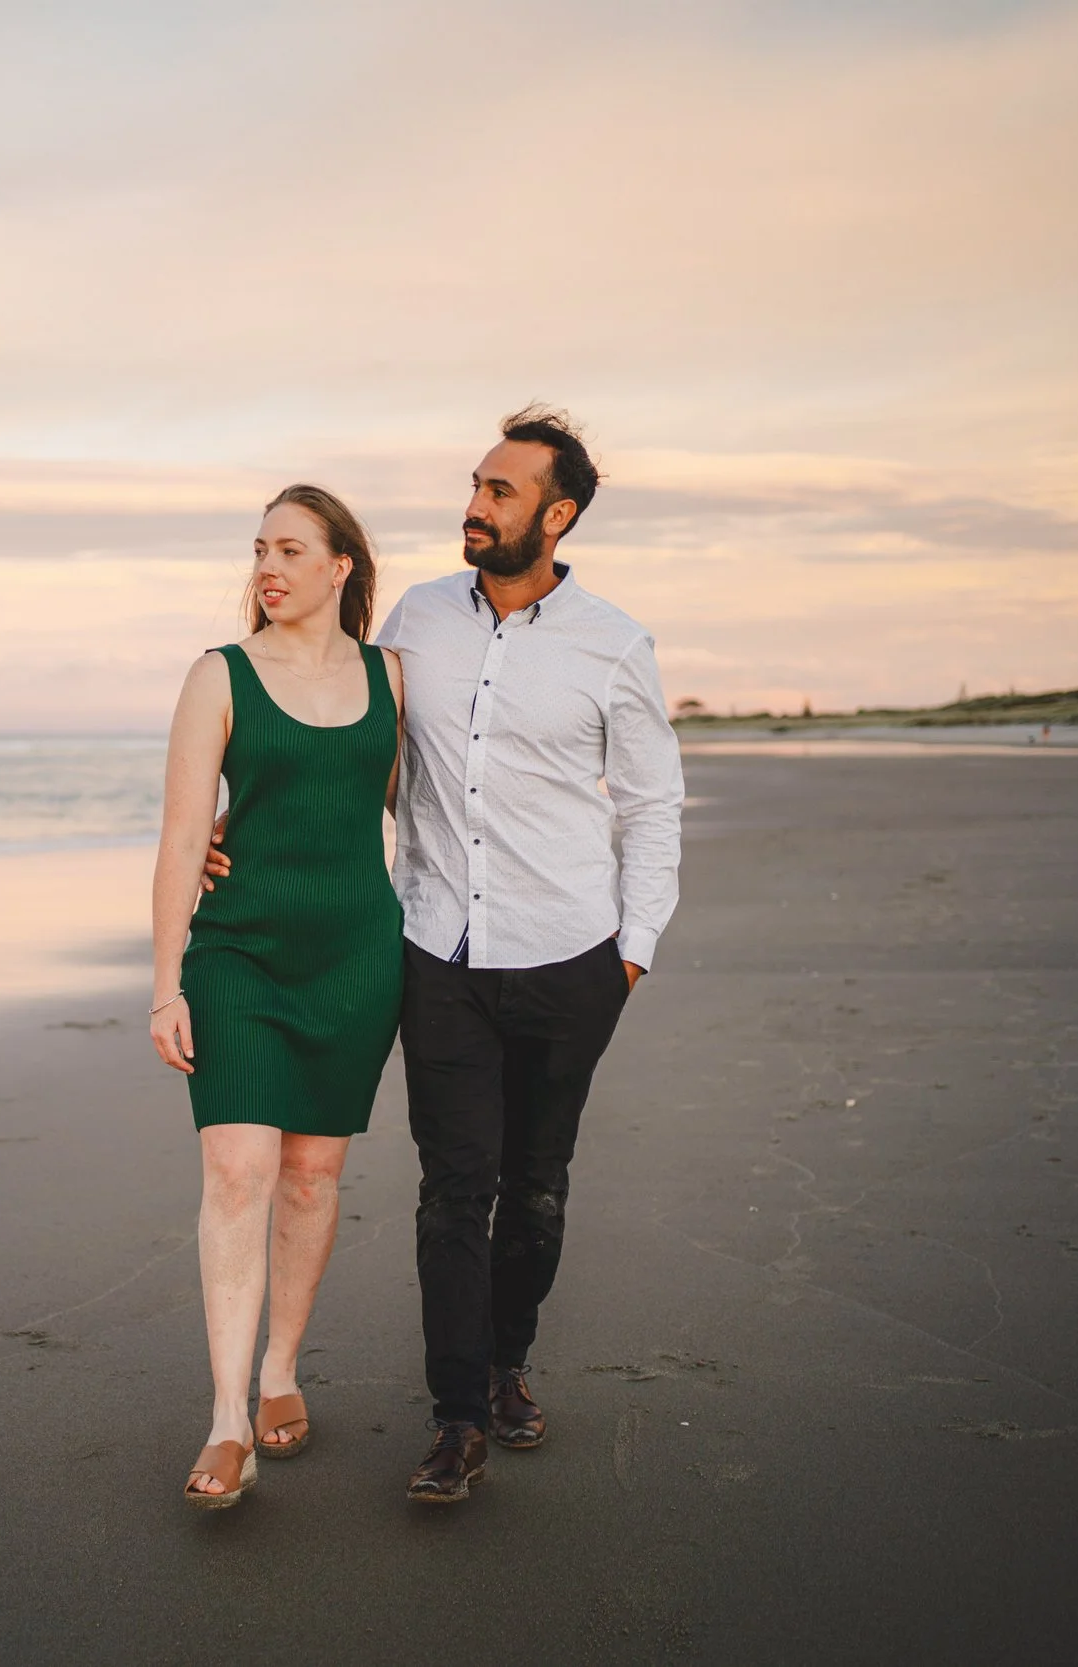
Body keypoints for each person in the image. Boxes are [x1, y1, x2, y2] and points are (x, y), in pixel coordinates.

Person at [208, 407, 682, 1506]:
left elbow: (653, 808)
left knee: (537, 1188)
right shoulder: (417, 618)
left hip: (571, 952)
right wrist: (235, 833)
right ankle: (457, 1413)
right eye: (474, 484)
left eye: (501, 492)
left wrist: (633, 953)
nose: (474, 506)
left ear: (556, 516)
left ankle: (507, 1358)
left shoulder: (614, 642)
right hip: (437, 949)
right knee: (449, 1187)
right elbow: (347, 732)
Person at [149, 485, 406, 1509]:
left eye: (291, 549)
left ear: (341, 565)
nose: (268, 566)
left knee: (310, 1175)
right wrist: (165, 979)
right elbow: (180, 837)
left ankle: (280, 1370)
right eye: (259, 548)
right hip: (239, 953)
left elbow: (423, 810)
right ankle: (224, 1423)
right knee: (238, 1167)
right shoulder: (218, 675)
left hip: (355, 956)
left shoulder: (391, 675)